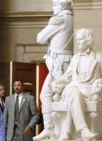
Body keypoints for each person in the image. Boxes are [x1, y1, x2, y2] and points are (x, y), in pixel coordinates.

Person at [51, 28, 102, 140]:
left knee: (75, 95)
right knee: (74, 93)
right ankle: (83, 130)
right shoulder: (75, 59)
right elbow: (66, 77)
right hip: (73, 88)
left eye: (80, 39)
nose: (77, 42)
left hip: (90, 92)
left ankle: (67, 132)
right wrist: (57, 82)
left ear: (89, 40)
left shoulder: (100, 59)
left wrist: (100, 81)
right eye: (77, 40)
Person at [33, 0, 73, 140]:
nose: (52, 7)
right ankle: (51, 129)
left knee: (51, 96)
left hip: (59, 63)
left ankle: (58, 129)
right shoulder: (74, 17)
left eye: (54, 5)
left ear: (61, 6)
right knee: (53, 96)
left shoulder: (59, 19)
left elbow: (40, 38)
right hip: (63, 61)